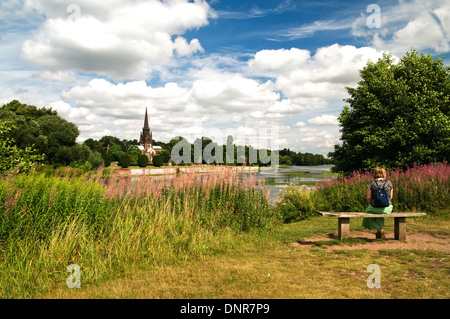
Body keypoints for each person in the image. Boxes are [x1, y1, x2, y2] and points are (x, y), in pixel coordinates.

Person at [362, 167, 394, 239]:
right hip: (387, 208)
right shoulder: (389, 183)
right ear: (382, 174)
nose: (386, 174)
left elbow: (368, 197)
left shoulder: (371, 183)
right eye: (385, 173)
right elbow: (391, 197)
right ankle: (380, 229)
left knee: (368, 214)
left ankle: (377, 228)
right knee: (381, 214)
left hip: (373, 208)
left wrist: (371, 204)